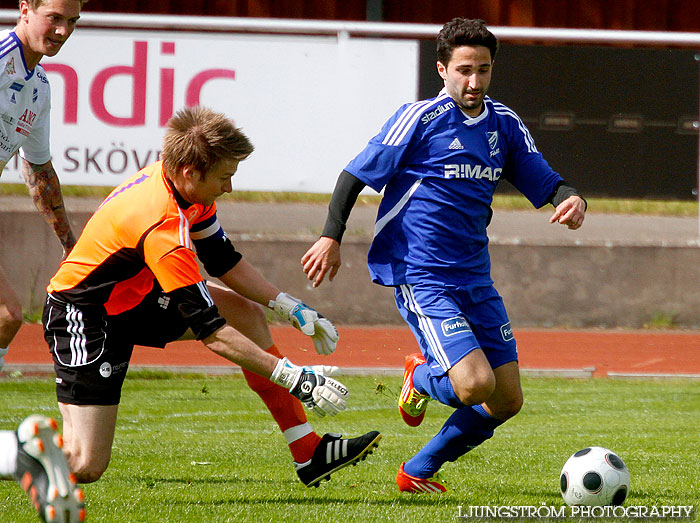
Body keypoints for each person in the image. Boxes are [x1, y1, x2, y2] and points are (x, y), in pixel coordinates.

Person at [0, 105, 381, 522]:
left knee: (249, 315)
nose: (230, 188)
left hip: (133, 297)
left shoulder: (182, 188)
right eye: (224, 177)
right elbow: (212, 333)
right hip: (86, 315)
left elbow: (220, 258)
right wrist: (293, 375)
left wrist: (289, 306)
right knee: (83, 463)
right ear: (189, 172)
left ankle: (309, 453)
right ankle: (14, 451)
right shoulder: (163, 227)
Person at [301, 17, 586, 494]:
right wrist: (331, 236)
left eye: (484, 70)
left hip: (476, 276)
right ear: (442, 69)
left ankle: (417, 471)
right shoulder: (418, 119)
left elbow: (542, 176)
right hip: (421, 273)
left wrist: (569, 199)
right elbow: (354, 176)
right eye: (464, 70)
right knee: (475, 386)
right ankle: (420, 377)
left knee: (507, 400)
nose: (474, 81)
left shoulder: (504, 123)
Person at [0, 1, 84, 522]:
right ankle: (21, 455)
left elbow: (40, 173)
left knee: (8, 315)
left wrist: (71, 244)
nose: (62, 30)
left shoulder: (39, 86)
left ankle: (20, 455)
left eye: (72, 21)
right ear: (24, 8)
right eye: (54, 16)